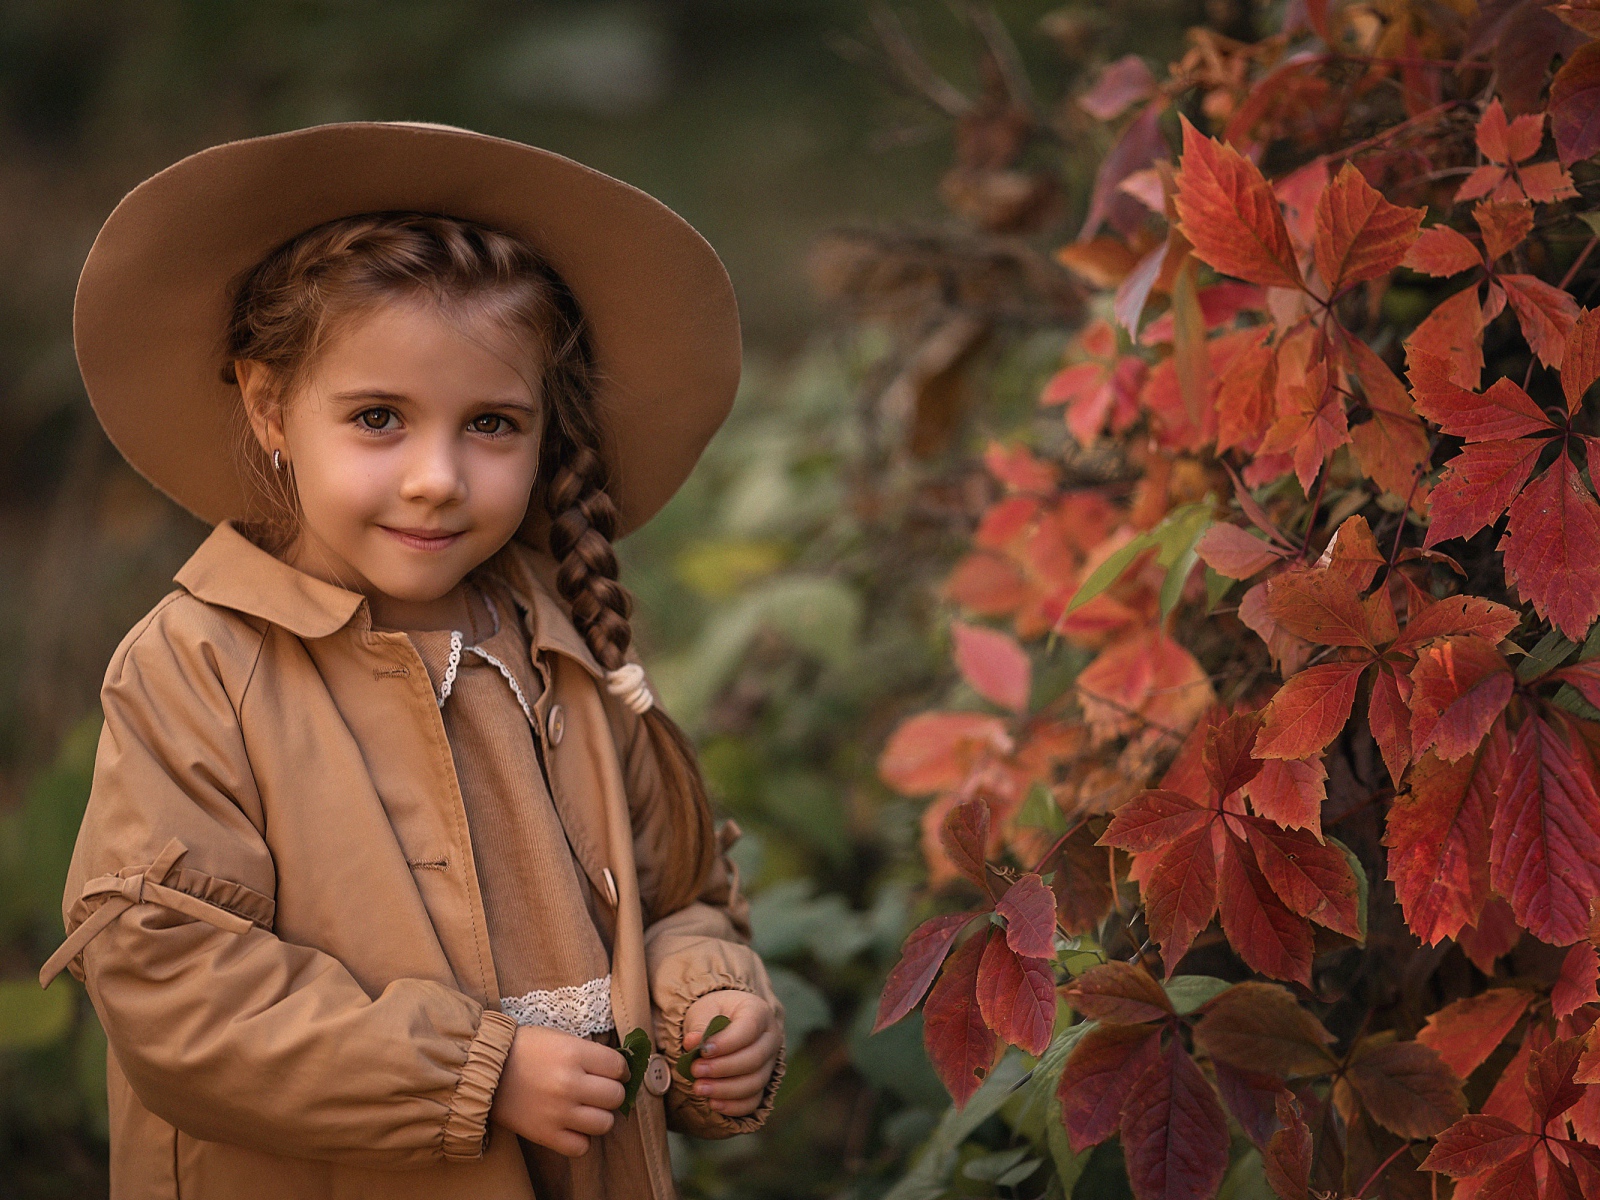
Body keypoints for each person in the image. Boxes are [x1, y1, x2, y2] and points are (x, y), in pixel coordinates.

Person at [37, 121, 785, 1199]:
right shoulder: (196, 665)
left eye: (489, 423)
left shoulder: (559, 642)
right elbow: (173, 981)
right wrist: (474, 1078)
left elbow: (675, 900)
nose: (436, 477)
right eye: (379, 417)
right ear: (269, 407)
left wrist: (705, 1001)